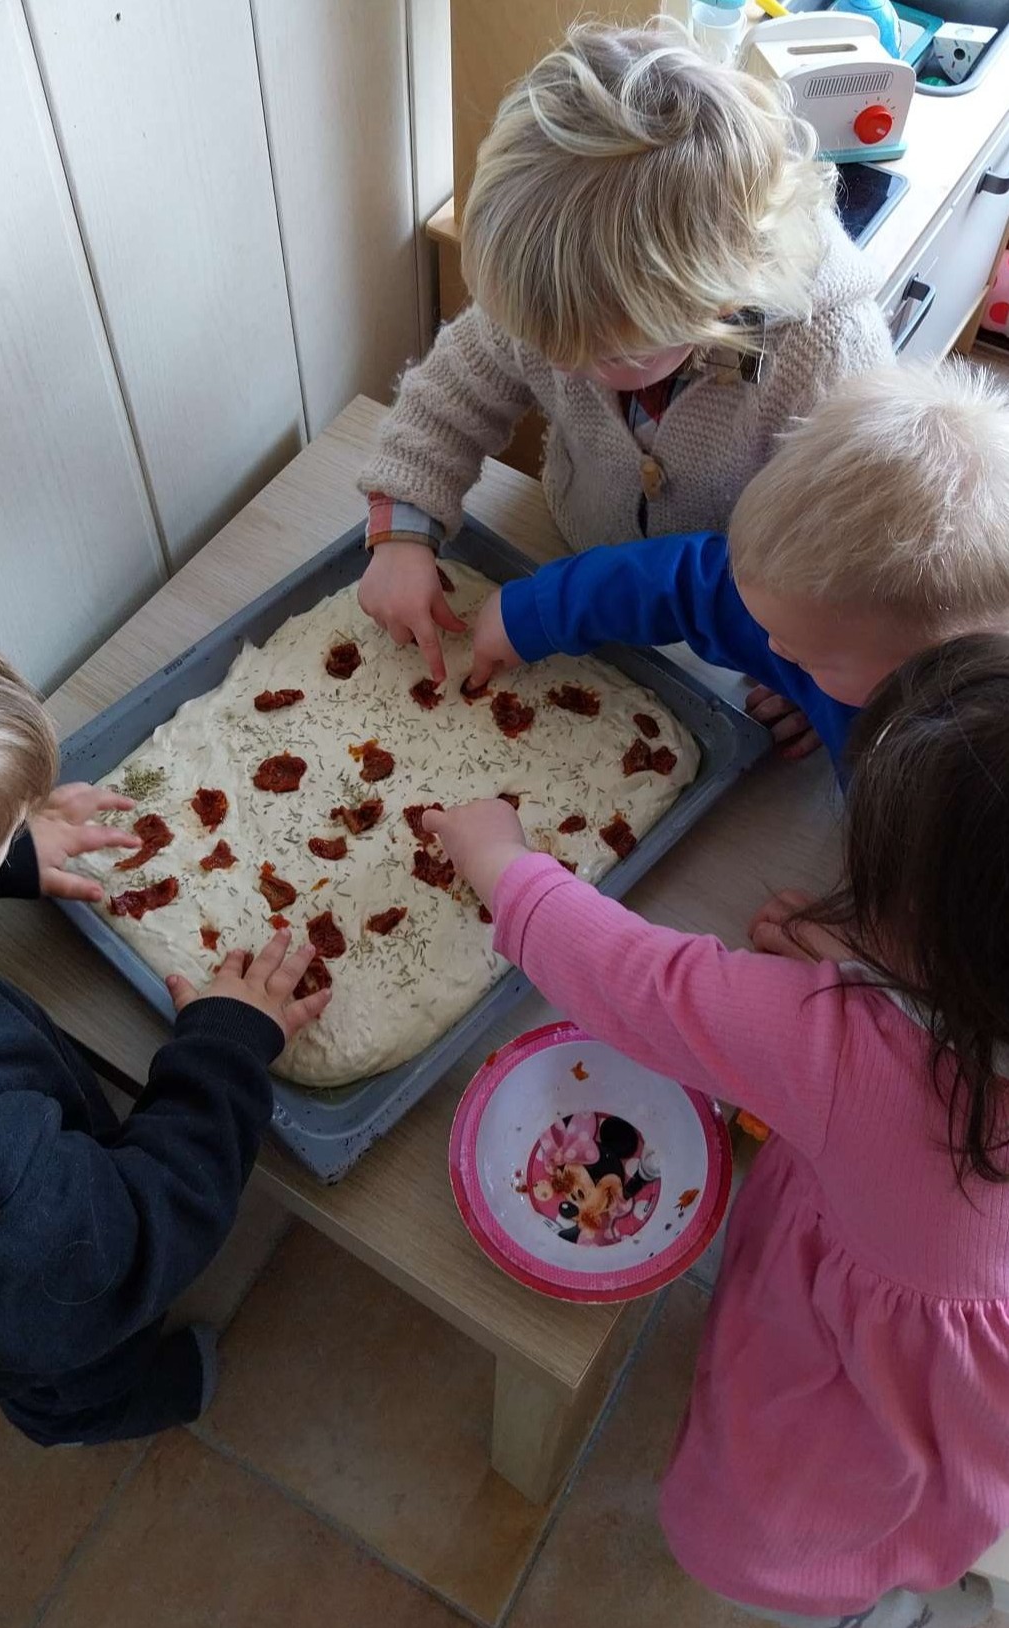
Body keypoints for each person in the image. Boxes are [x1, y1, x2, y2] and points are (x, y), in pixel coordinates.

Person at [424, 631, 1009, 1628]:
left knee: (756, 1536)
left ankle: (862, 1609)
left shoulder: (842, 1058)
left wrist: (502, 867)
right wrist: (869, 973)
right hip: (977, 1383)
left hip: (857, 1399)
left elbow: (640, 983)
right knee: (945, 1495)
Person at [0, 583, 330, 1447]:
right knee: (66, 1354)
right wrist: (223, 1051)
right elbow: (143, 1226)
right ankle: (93, 1413)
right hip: (7, 1304)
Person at [356, 19, 891, 700]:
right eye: (546, 346)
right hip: (567, 548)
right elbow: (448, 400)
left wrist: (806, 664)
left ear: (716, 301)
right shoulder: (567, 299)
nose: (561, 367)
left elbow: (845, 561)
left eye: (604, 354)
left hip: (736, 634)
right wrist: (402, 531)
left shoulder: (827, 352)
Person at [465, 359, 1009, 767]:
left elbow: (949, 909)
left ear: (932, 670)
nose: (773, 650)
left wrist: (866, 920)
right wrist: (531, 612)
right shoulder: (827, 622)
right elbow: (687, 586)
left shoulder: (967, 782)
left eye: (813, 660)